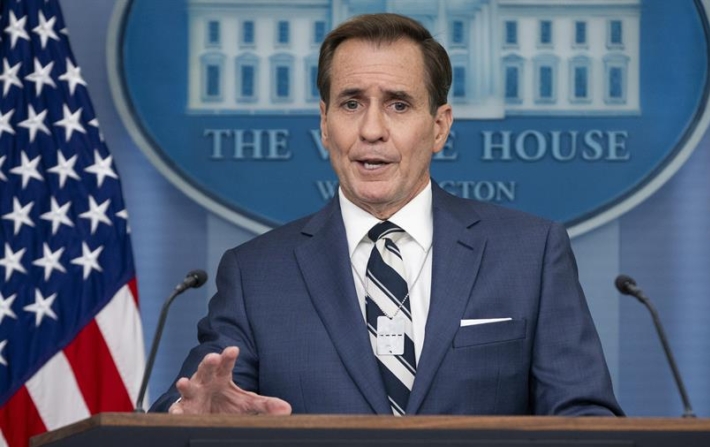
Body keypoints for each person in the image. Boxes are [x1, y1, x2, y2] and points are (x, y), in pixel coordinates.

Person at [150, 13, 622, 416]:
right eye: (351, 103)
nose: (371, 129)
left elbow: (584, 415)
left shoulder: (530, 254)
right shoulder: (255, 273)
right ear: (324, 123)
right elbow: (195, 397)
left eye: (398, 104)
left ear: (439, 127)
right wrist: (191, 417)